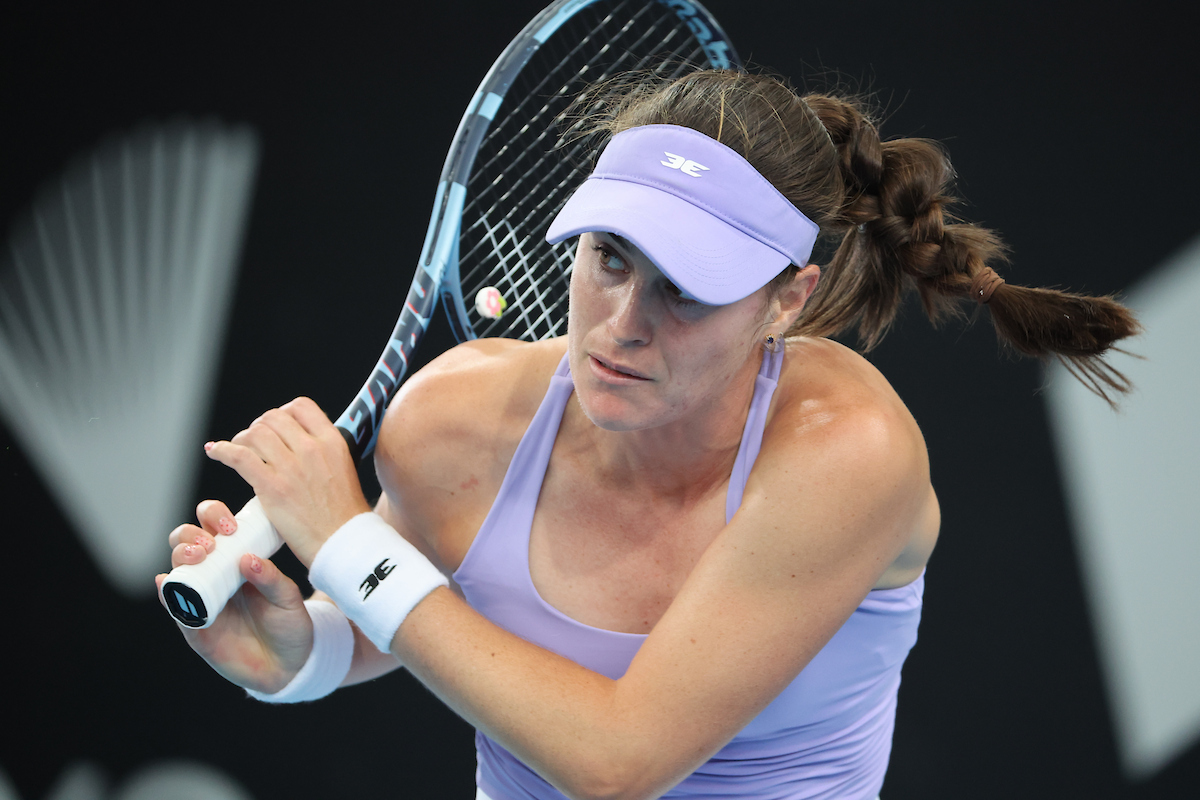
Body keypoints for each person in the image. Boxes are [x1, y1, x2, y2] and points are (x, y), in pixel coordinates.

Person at [158, 70, 1139, 800]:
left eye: (689, 287)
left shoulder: (848, 448)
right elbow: (425, 620)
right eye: (609, 259)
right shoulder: (451, 421)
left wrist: (345, 542)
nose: (624, 322)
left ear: (785, 302)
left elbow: (617, 760)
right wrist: (304, 650)